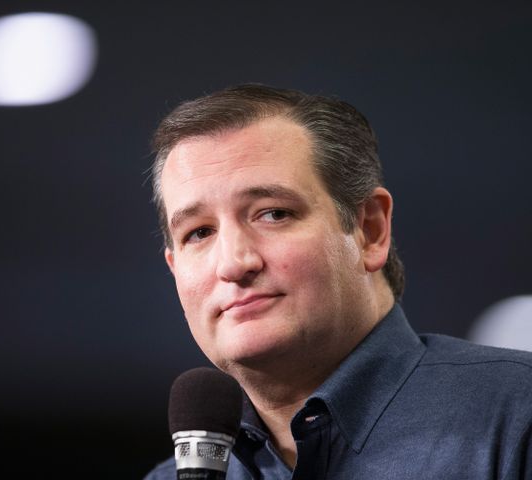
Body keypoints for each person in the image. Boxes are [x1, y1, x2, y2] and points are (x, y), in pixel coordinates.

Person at [142, 84, 532, 479]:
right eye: (199, 233)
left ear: (369, 230)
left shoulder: (519, 416)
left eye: (273, 213)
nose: (233, 263)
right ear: (174, 268)